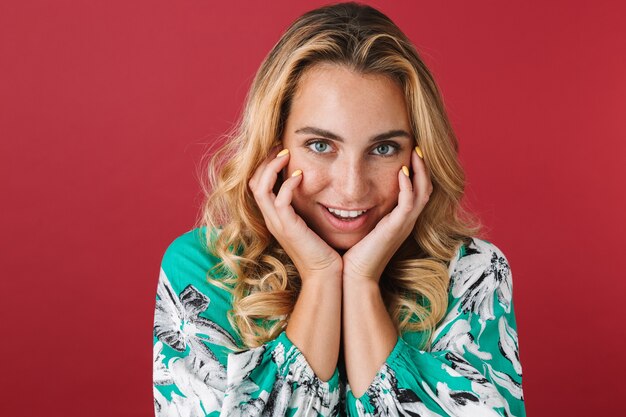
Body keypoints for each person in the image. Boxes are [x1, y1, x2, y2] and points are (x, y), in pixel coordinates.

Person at [152, 2, 525, 416]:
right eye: (320, 145)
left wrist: (362, 284)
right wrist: (321, 278)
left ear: (418, 156)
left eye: (383, 149)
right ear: (277, 147)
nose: (351, 187)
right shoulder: (205, 271)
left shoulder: (471, 274)